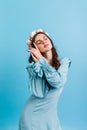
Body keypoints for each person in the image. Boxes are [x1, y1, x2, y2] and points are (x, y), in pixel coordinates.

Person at [19, 29, 71, 130]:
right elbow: (39, 93)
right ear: (35, 48)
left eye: (45, 38)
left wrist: (42, 61)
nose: (44, 42)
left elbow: (57, 82)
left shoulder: (64, 62)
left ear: (50, 41)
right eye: (39, 42)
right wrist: (39, 61)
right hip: (31, 115)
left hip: (51, 117)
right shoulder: (36, 67)